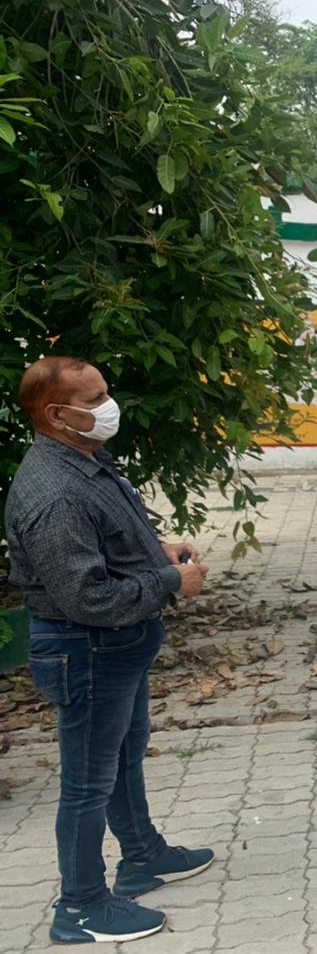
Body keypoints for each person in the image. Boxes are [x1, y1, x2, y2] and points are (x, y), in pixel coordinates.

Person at [5, 357, 215, 944]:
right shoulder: (54, 493)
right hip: (88, 650)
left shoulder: (82, 459)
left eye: (105, 393)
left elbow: (102, 545)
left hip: (118, 648)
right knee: (86, 784)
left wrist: (155, 551)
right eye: (94, 399)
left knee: (124, 755)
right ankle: (80, 906)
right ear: (56, 415)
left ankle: (142, 855)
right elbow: (87, 597)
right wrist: (171, 582)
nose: (108, 406)